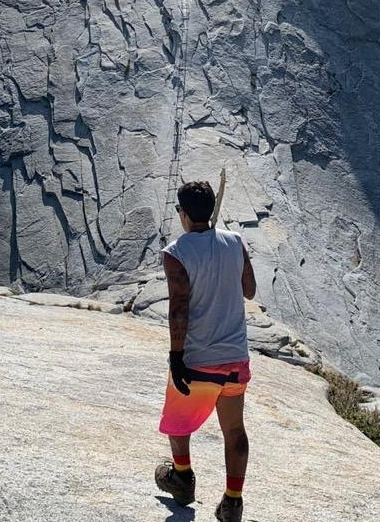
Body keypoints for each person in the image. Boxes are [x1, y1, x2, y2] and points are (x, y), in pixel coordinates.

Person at [154, 180, 257, 522]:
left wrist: (176, 355)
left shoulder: (176, 252)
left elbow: (179, 307)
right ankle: (233, 501)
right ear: (211, 211)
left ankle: (182, 478)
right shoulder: (235, 242)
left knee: (178, 422)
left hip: (198, 358)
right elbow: (250, 289)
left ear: (183, 213)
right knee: (235, 431)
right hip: (235, 360)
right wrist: (228, 258)